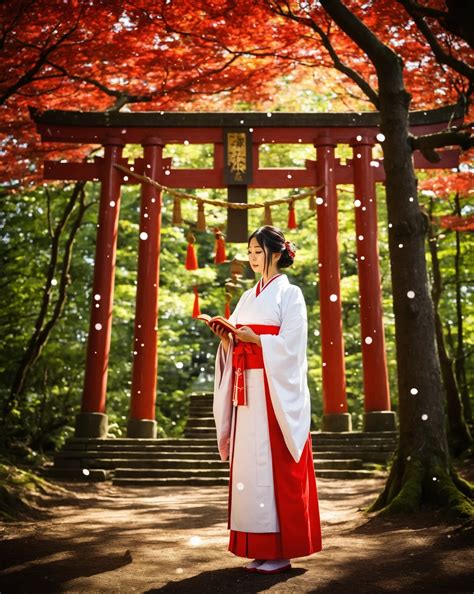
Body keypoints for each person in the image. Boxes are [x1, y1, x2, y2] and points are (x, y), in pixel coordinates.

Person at [210, 225, 322, 575]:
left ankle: (281, 550)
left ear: (275, 253)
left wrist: (257, 340)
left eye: (257, 251)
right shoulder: (247, 297)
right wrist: (227, 339)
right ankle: (258, 546)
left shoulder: (291, 295)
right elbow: (238, 343)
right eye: (250, 251)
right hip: (246, 388)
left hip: (274, 390)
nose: (252, 257)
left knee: (274, 469)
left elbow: (292, 346)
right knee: (249, 469)